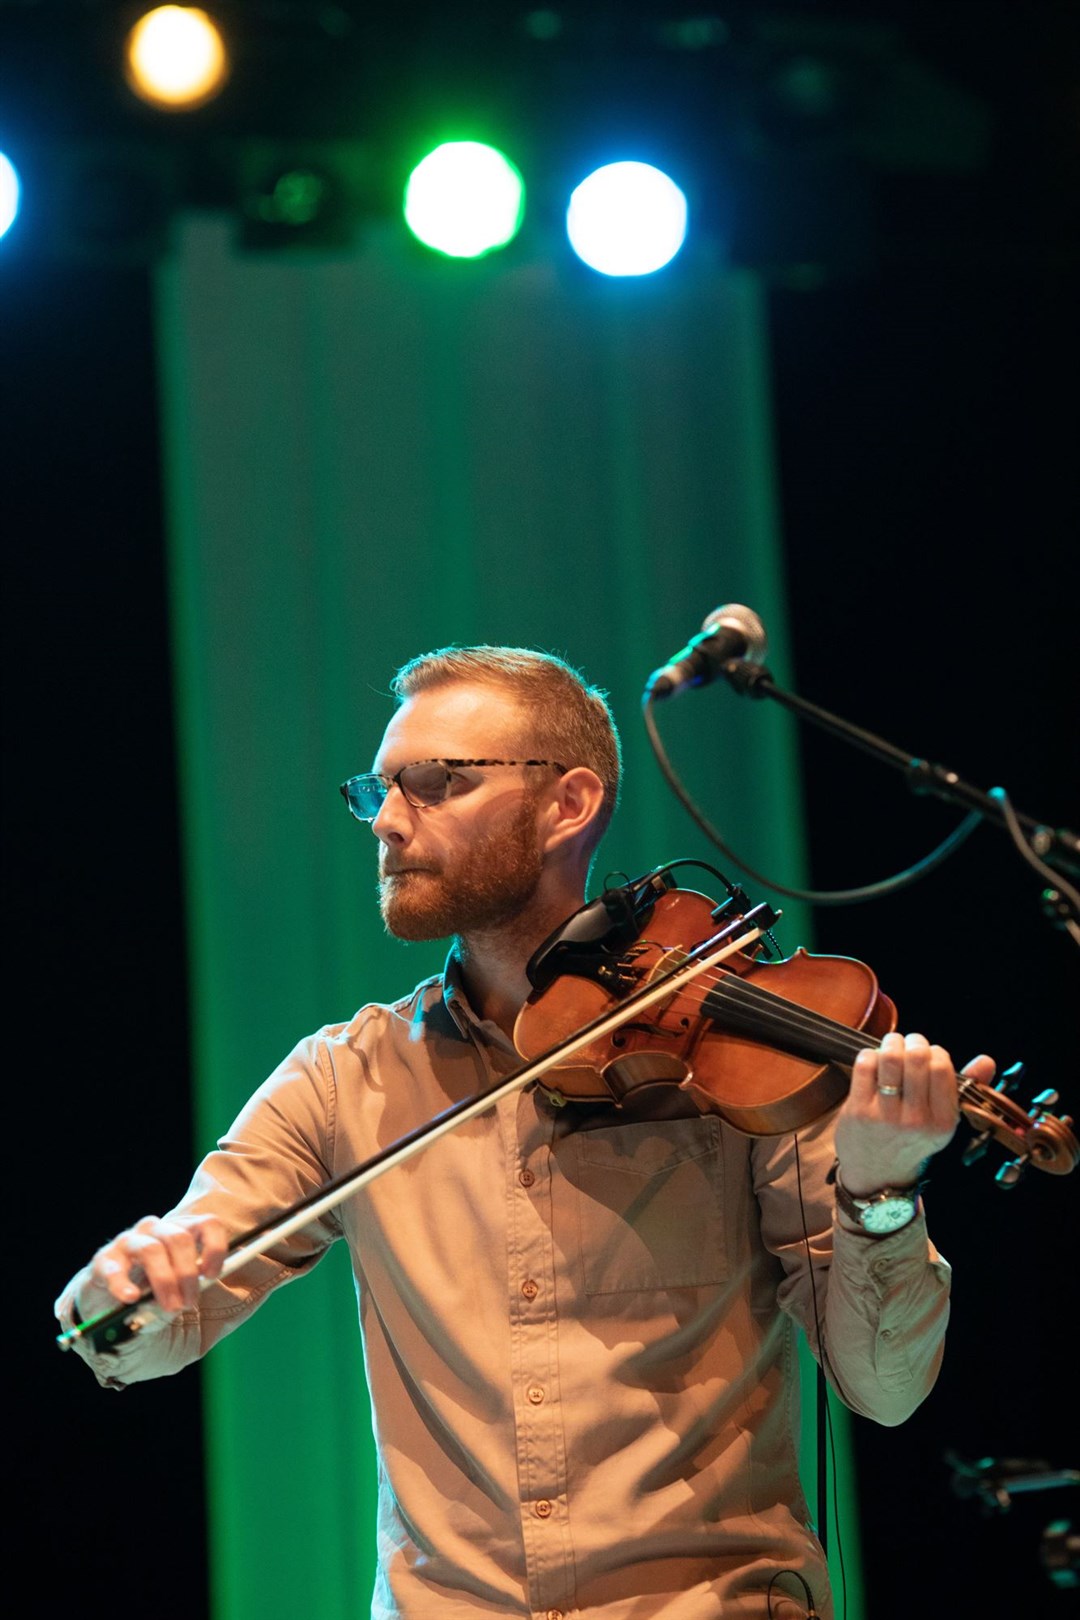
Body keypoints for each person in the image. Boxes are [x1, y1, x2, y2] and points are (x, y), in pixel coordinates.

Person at [56, 645, 995, 1620]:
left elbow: (885, 1390)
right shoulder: (346, 1078)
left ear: (569, 804)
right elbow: (147, 1327)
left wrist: (880, 1196)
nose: (386, 821)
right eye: (378, 790)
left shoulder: (737, 1059)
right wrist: (130, 1289)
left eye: (434, 783)